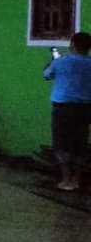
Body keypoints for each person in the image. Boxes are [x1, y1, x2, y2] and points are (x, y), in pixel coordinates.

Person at [43, 31, 91, 191]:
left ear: (73, 45)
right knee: (80, 144)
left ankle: (65, 179)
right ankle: (76, 179)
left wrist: (50, 64)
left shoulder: (60, 62)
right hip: (85, 109)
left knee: (61, 144)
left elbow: (47, 75)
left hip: (62, 108)